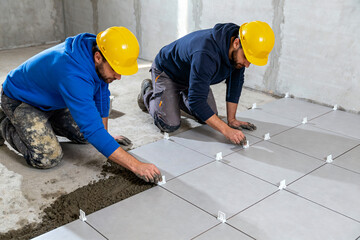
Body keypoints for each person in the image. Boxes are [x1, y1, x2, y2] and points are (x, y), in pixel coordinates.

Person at [0, 26, 162, 183]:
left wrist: (106, 134)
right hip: (22, 101)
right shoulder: (72, 72)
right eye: (115, 70)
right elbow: (92, 130)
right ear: (98, 57)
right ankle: (4, 122)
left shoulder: (96, 51)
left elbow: (102, 94)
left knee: (88, 136)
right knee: (47, 157)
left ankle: (44, 125)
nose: (118, 76)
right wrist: (136, 166)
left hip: (52, 100)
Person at [138, 21, 275, 145]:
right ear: (236, 43)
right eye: (246, 57)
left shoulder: (237, 54)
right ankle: (149, 92)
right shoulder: (206, 53)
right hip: (168, 73)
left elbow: (235, 82)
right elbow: (197, 102)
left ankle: (172, 98)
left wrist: (231, 120)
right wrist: (226, 130)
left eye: (250, 60)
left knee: (208, 116)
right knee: (169, 124)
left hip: (191, 76)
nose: (247, 64)